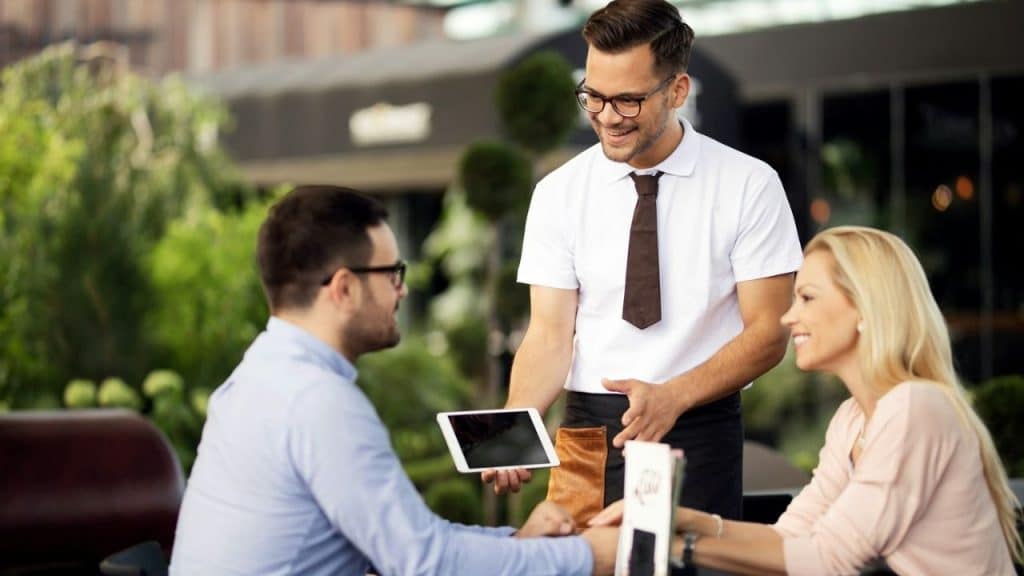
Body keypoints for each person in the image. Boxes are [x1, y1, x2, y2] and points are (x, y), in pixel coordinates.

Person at [170, 185, 618, 575]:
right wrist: (585, 557)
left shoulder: (258, 375)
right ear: (343, 289)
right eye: (392, 274)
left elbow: (411, 542)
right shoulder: (317, 401)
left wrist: (517, 544)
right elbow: (425, 562)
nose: (402, 290)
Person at [484, 0, 802, 527]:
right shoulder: (558, 193)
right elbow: (547, 334)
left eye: (628, 101)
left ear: (678, 90)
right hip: (587, 431)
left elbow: (769, 332)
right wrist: (518, 425)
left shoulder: (749, 185)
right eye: (594, 96)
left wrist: (674, 396)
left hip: (700, 427)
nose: (607, 117)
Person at [591, 226, 1023, 575]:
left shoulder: (914, 409)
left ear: (865, 310)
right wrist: (680, 520)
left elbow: (828, 560)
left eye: (808, 298)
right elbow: (792, 538)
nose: (788, 315)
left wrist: (668, 542)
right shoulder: (854, 418)